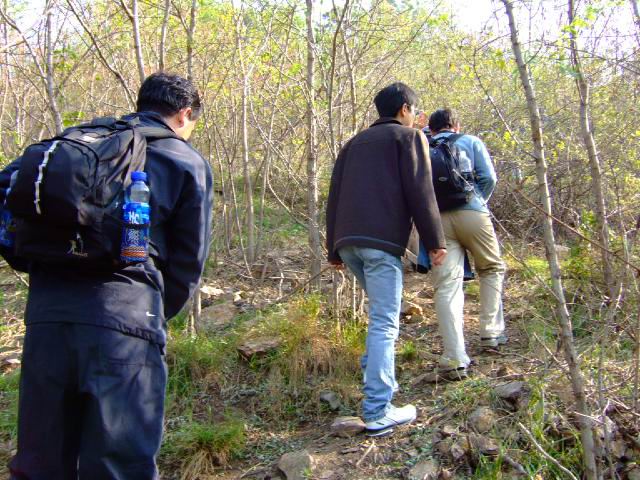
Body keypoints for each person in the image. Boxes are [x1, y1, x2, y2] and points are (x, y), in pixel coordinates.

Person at [3, 72, 213, 479]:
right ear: (184, 114)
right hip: (126, 320)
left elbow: (8, 192)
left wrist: (34, 263)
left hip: (47, 317)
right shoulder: (183, 159)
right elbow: (188, 261)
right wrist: (154, 314)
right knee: (119, 465)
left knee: (40, 463)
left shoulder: (75, 142)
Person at [326, 83, 446, 436]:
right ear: (405, 109)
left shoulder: (352, 144)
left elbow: (334, 196)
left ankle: (382, 388)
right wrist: (435, 241)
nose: (415, 116)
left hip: (349, 244)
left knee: (380, 315)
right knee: (384, 321)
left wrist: (333, 247)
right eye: (414, 110)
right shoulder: (409, 138)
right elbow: (420, 190)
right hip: (380, 244)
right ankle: (378, 409)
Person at [428, 108, 506, 380]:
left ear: (432, 129)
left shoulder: (424, 148)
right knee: (491, 268)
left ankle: (454, 356)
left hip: (437, 221)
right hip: (472, 212)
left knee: (447, 285)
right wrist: (477, 201)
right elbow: (489, 177)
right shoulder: (470, 141)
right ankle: (490, 333)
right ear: (456, 125)